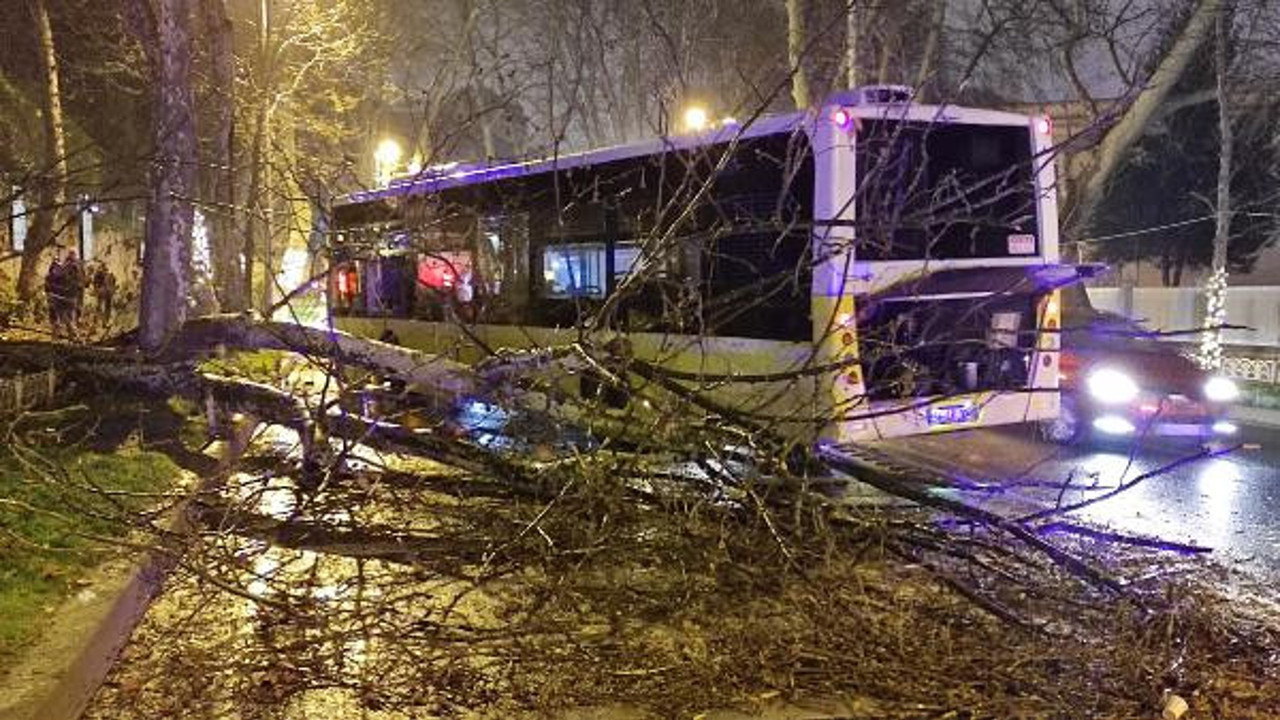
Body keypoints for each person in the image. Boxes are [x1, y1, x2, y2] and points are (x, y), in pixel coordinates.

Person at [61, 249, 86, 338]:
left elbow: (82, 276)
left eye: (74, 254)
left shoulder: (77, 264)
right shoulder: (67, 265)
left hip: (77, 290)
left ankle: (75, 329)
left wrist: (82, 283)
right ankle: (72, 332)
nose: (73, 256)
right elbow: (65, 277)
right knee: (70, 310)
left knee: (78, 309)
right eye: (72, 254)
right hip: (70, 291)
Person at [44, 253, 66, 337]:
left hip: (59, 297)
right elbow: (46, 286)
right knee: (53, 314)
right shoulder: (49, 276)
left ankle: (59, 332)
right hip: (52, 296)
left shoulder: (61, 275)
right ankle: (55, 332)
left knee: (60, 314)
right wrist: (48, 294)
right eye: (55, 262)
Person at [91, 262, 117, 329]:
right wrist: (97, 289)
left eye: (105, 268)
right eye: (103, 267)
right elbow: (95, 283)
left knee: (107, 308)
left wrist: (112, 289)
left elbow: (113, 283)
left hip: (108, 293)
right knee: (100, 308)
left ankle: (105, 322)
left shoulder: (110, 275)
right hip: (102, 293)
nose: (105, 269)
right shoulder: (98, 274)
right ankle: (101, 322)